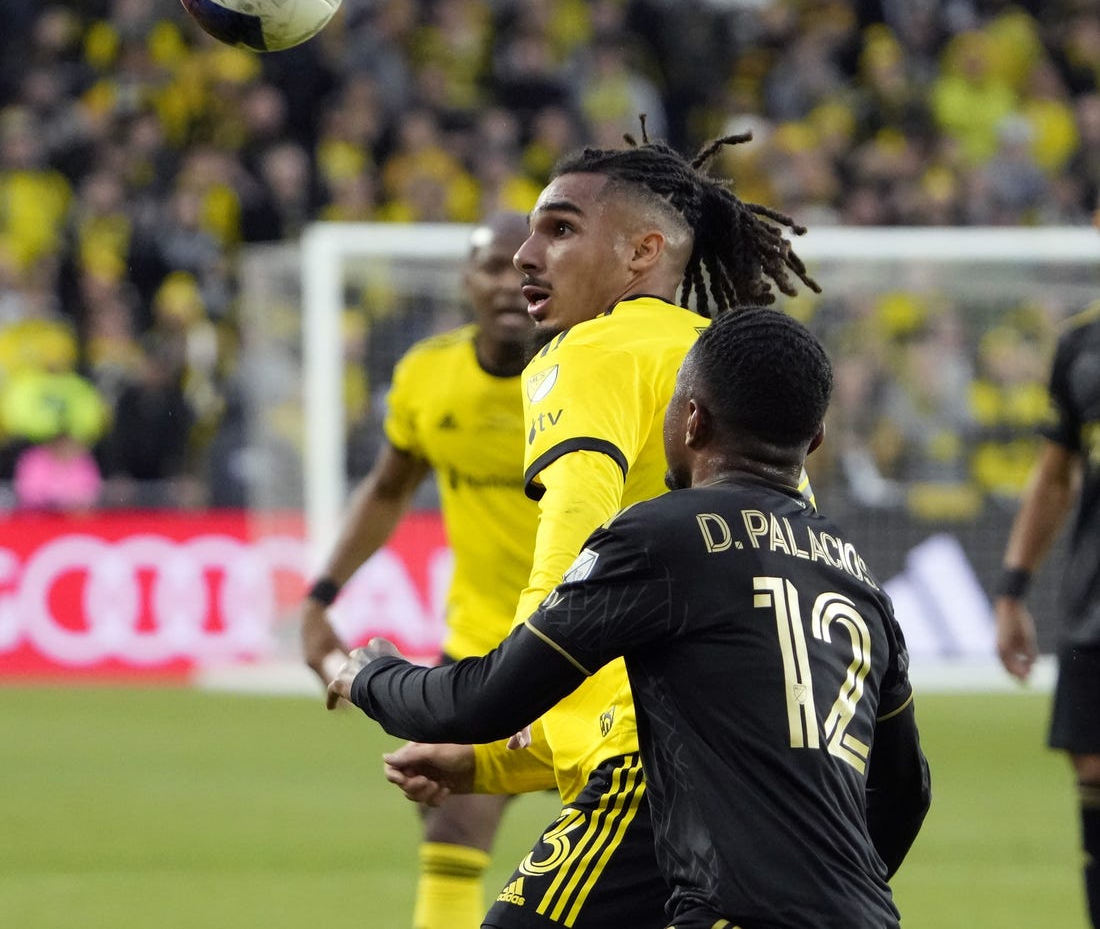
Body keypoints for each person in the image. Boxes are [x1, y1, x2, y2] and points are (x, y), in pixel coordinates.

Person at [350, 125, 823, 928]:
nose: (527, 254)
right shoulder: (725, 362)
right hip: (780, 778)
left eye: (560, 229)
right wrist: (495, 763)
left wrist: (482, 691)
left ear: (642, 253)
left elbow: (575, 544)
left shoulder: (594, 350)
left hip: (650, 766)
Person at [329, 306, 932, 929]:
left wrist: (373, 674)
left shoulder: (663, 537)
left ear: (691, 419)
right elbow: (905, 793)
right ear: (814, 441)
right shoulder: (857, 577)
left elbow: (489, 699)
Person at [301, 211, 541, 929]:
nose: (507, 282)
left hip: (603, 654)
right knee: (452, 834)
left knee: (653, 852)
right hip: (484, 650)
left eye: (524, 267)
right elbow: (387, 488)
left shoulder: (592, 372)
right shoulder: (428, 376)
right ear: (467, 280)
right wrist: (319, 597)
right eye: (493, 266)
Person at [994, 245, 1100, 927]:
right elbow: (1053, 477)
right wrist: (1011, 590)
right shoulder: (1082, 347)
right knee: (1094, 790)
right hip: (1096, 613)